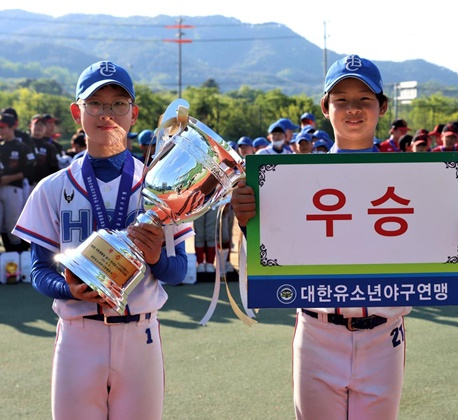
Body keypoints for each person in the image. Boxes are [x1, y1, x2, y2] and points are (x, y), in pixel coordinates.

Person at [12, 60, 193, 420]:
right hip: (79, 333)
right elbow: (38, 271)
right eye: (95, 103)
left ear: (134, 114)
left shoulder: (164, 186)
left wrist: (156, 257)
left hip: (140, 331)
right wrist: (69, 289)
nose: (106, 113)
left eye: (118, 104)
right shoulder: (52, 187)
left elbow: (179, 271)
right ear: (77, 111)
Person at [233, 54, 409, 419]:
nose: (353, 109)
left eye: (364, 99)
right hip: (317, 329)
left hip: (384, 333)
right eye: (341, 100)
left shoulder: (412, 178)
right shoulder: (291, 178)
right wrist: (249, 220)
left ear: (383, 106)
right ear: (325, 107)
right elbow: (272, 256)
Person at [0, 113, 35, 252]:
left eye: (3, 127)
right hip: (1, 188)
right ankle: (9, 254)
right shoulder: (0, 147)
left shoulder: (21, 146)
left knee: (13, 223)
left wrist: (9, 178)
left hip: (15, 188)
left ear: (11, 127)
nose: (1, 130)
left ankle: (20, 253)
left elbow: (30, 169)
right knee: (2, 224)